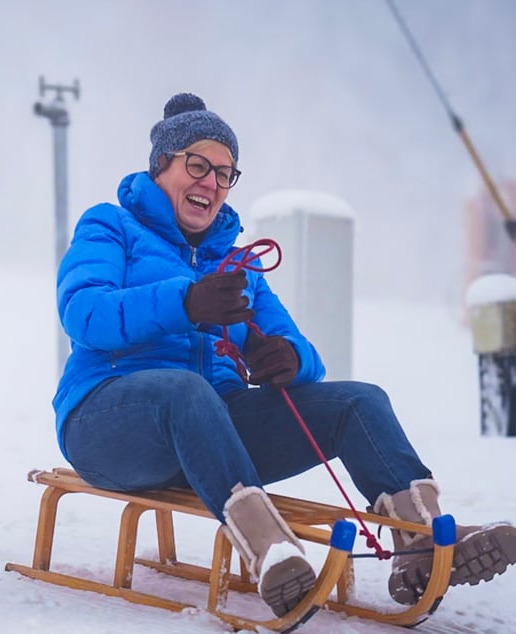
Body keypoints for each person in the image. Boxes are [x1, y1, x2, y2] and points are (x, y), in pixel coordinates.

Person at [52, 92, 516, 616]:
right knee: (186, 390)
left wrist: (290, 359)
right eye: (197, 165)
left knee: (359, 401)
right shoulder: (111, 225)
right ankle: (271, 553)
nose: (211, 183)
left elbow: (295, 345)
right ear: (162, 165)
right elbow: (83, 313)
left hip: (213, 438)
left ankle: (424, 545)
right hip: (110, 426)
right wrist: (185, 301)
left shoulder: (237, 262)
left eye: (225, 174)